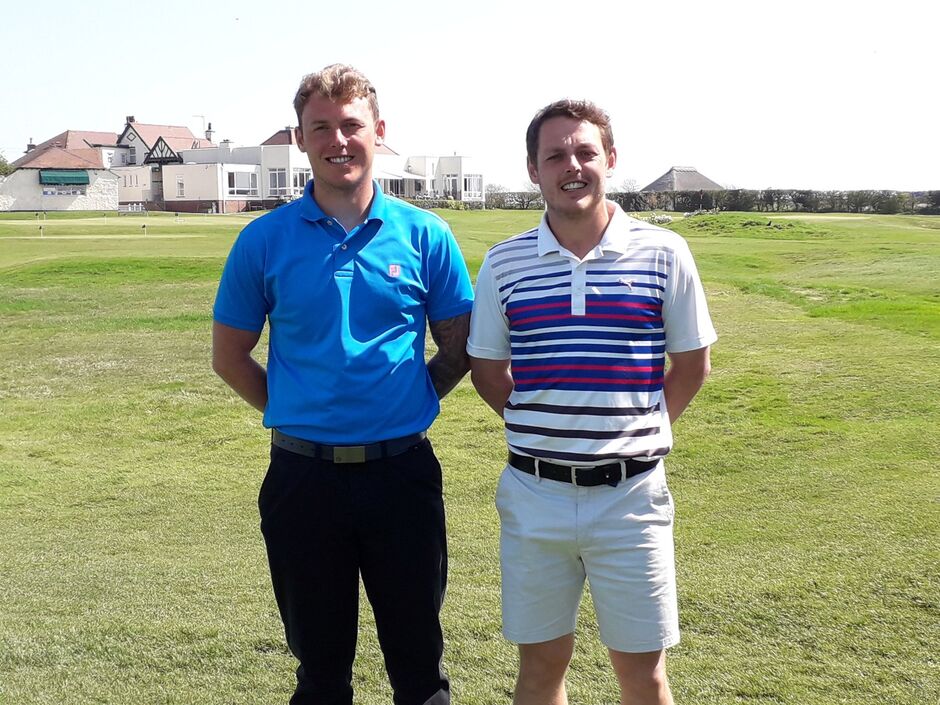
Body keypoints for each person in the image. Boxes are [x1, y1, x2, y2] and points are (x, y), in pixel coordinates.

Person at [212, 64, 473, 705]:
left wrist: (407, 397)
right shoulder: (263, 240)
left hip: (402, 476)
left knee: (419, 666)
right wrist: (298, 409)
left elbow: (460, 348)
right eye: (321, 126)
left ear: (378, 131)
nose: (338, 139)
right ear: (300, 138)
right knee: (320, 672)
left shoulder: (426, 234)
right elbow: (230, 356)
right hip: (303, 481)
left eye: (351, 124)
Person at [467, 99, 716, 705]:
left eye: (585, 152)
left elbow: (691, 367)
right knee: (540, 670)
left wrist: (634, 431)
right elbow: (487, 370)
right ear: (534, 169)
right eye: (555, 155)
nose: (571, 166)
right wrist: (542, 426)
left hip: (632, 498)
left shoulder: (664, 252)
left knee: (644, 675)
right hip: (534, 496)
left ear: (610, 159)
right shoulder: (504, 262)